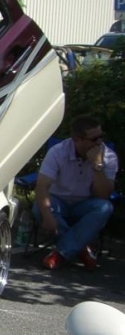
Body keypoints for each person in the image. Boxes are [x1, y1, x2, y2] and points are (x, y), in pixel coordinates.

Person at [34, 115, 118, 271]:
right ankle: (81, 248)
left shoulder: (108, 157)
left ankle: (61, 253)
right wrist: (47, 216)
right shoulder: (58, 152)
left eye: (101, 137)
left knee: (105, 207)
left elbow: (104, 195)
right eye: (94, 139)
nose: (99, 143)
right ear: (77, 139)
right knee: (40, 207)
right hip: (58, 200)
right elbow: (41, 187)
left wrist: (97, 166)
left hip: (84, 204)